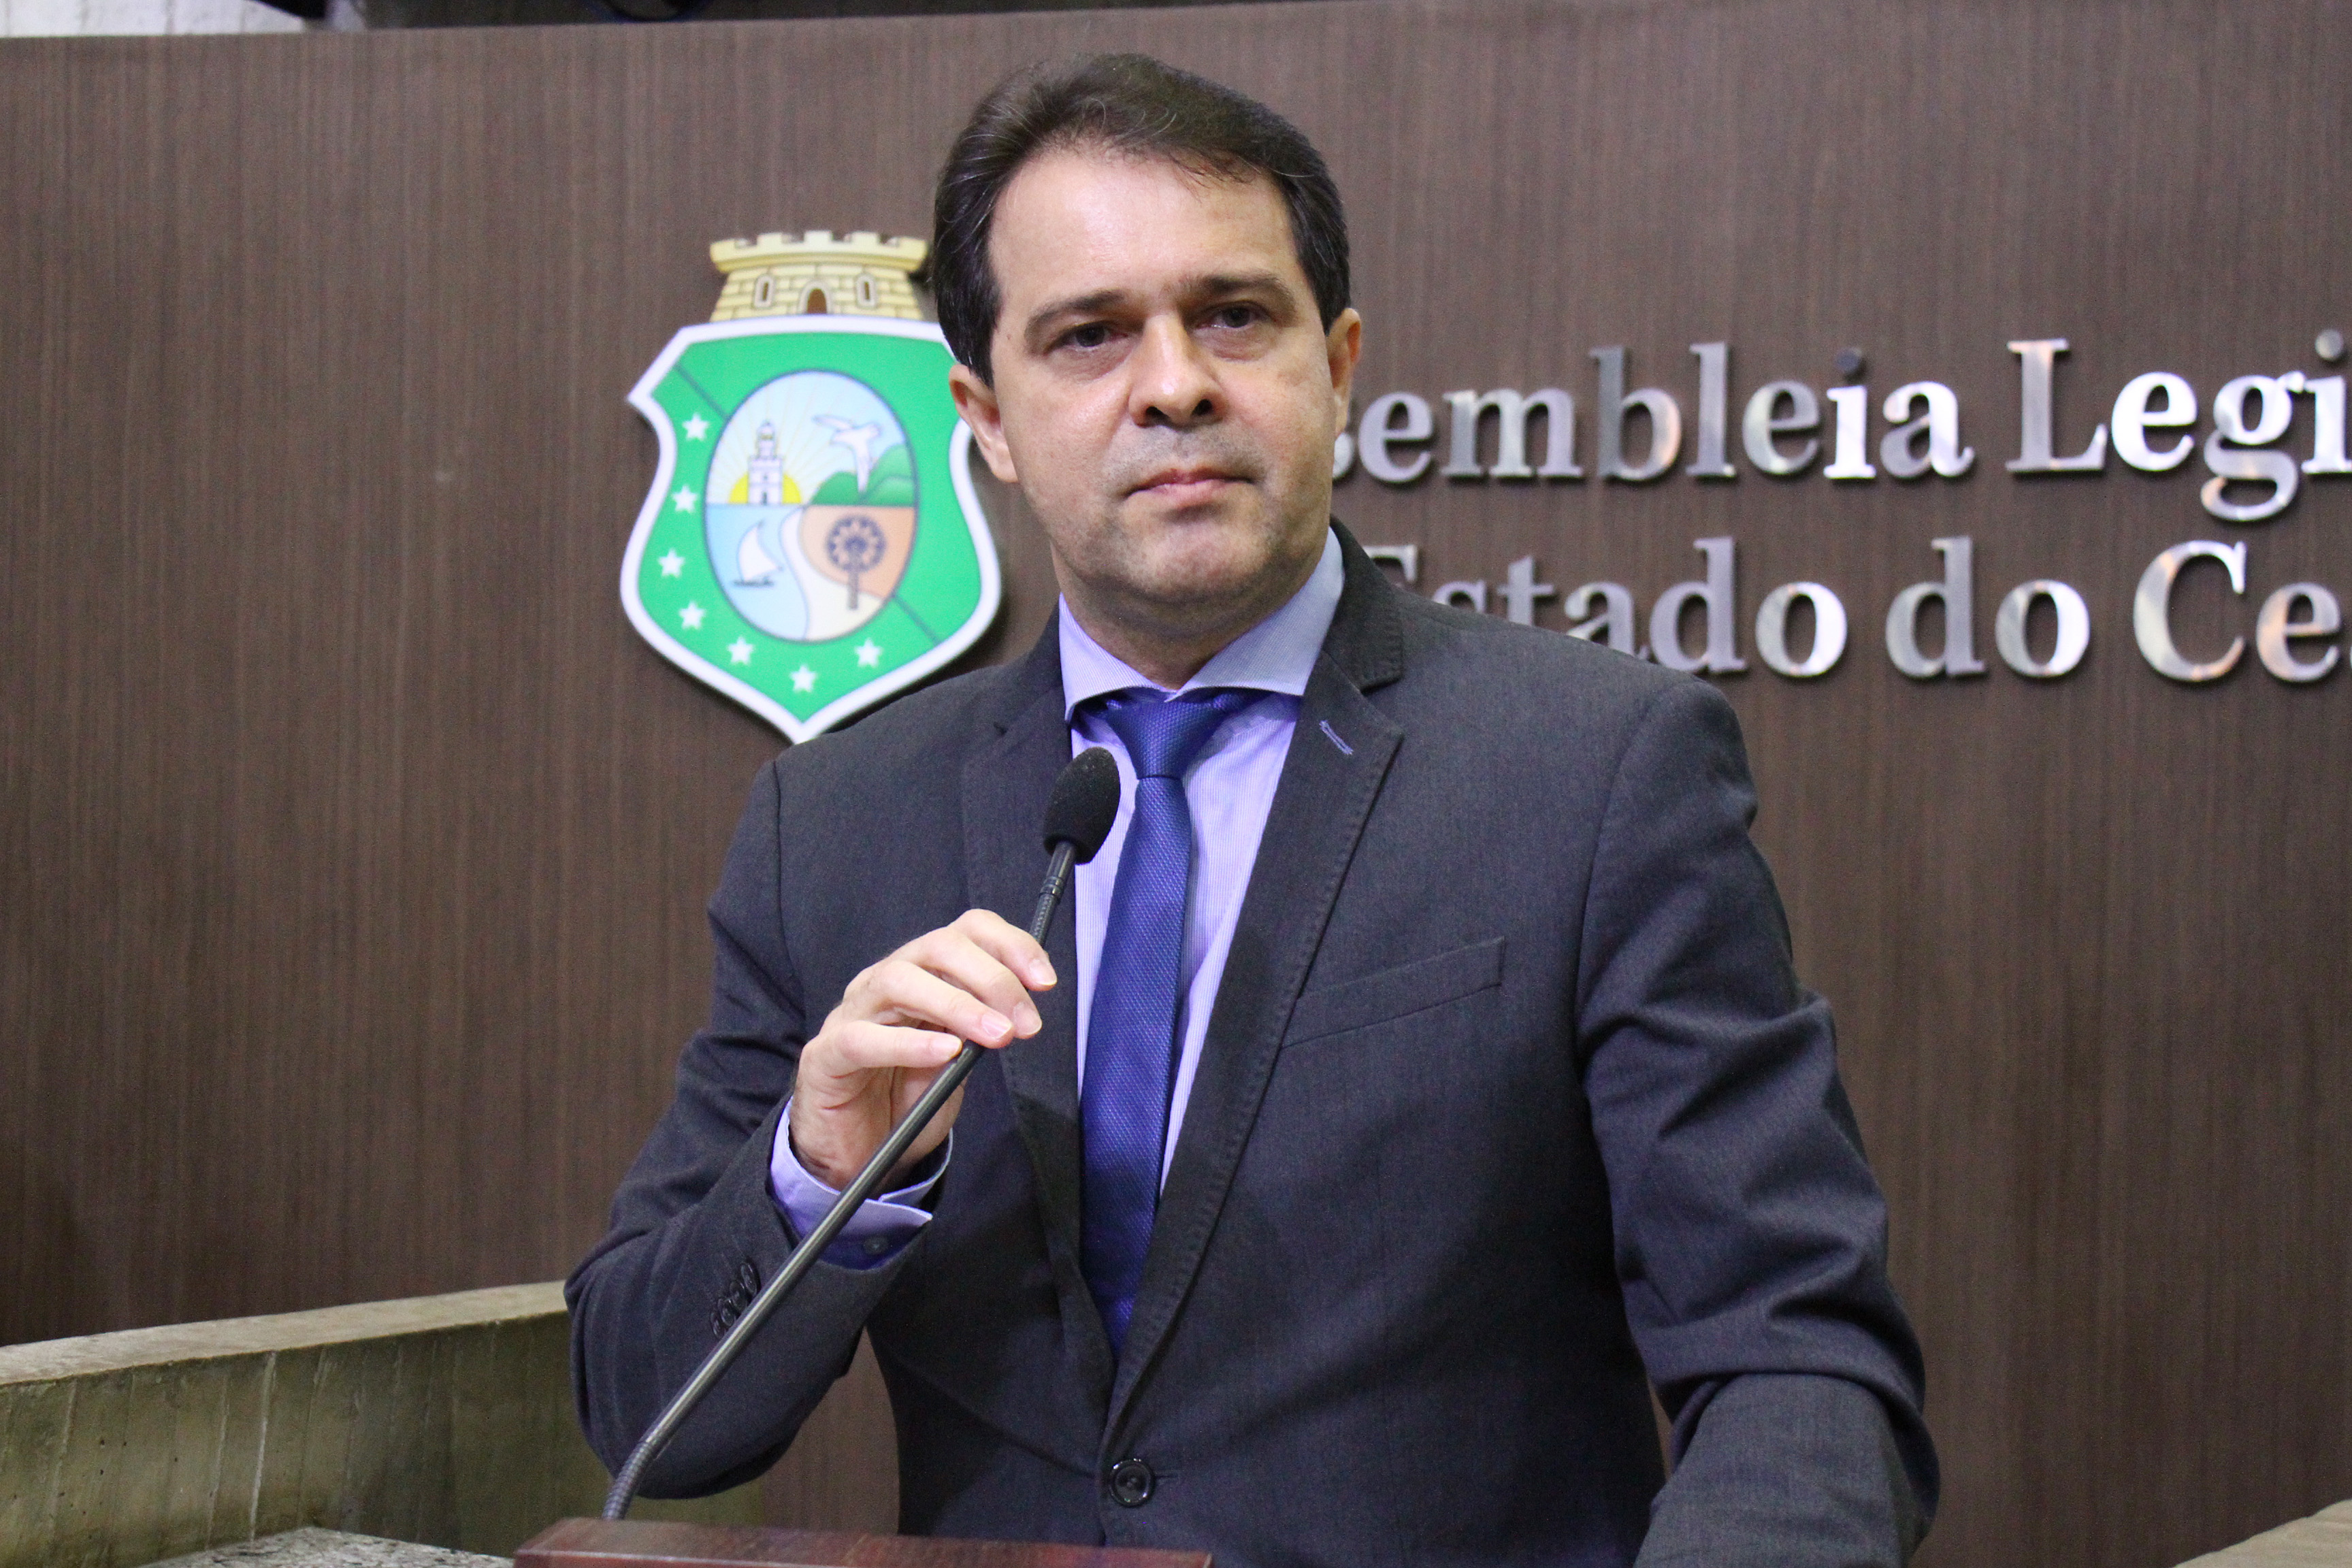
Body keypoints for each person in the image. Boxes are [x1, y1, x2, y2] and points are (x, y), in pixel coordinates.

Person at [570, 52, 1936, 1568]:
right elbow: (645, 1412)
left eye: (1232, 315)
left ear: (1337, 365)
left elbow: (1796, 1355)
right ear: (988, 418)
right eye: (1090, 336)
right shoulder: (833, 825)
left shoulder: (1596, 770)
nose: (1174, 384)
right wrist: (818, 1176)